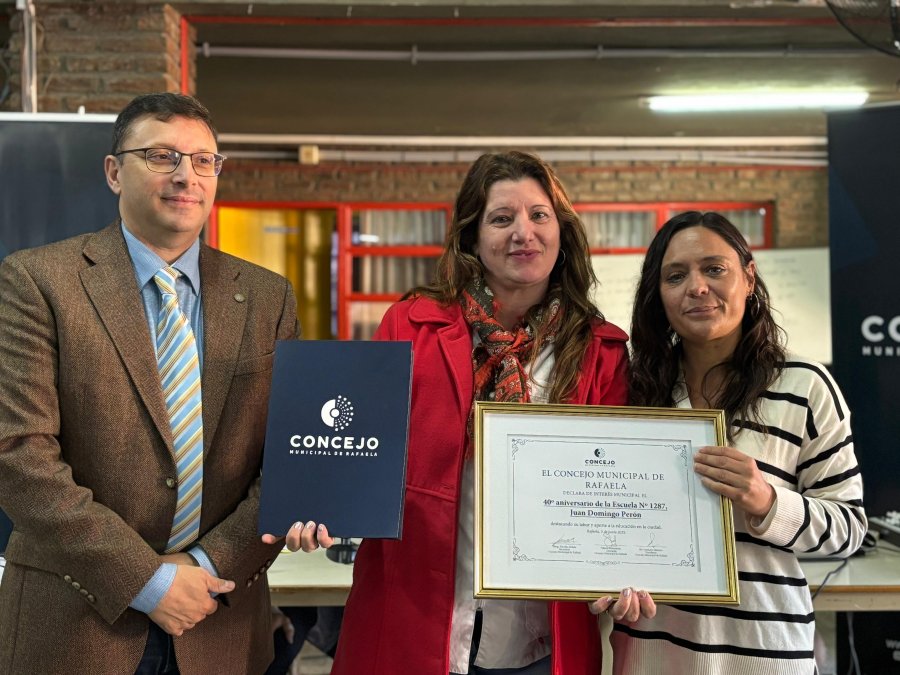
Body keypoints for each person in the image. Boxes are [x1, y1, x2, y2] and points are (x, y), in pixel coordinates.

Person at [264, 151, 655, 674]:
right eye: (502, 218)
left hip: (541, 637)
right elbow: (364, 450)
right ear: (471, 235)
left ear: (562, 231)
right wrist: (322, 500)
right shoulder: (410, 325)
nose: (524, 232)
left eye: (540, 215)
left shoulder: (600, 350)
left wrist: (626, 564)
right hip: (418, 620)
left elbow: (615, 486)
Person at [0, 93, 298, 674]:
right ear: (114, 171)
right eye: (162, 155)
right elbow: (18, 454)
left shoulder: (267, 296)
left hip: (219, 618)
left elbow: (285, 460)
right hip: (76, 623)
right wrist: (147, 580)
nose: (186, 175)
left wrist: (207, 565)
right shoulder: (38, 281)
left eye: (203, 160)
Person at [612, 211, 866, 673]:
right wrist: (607, 573)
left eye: (714, 268)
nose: (697, 287)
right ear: (659, 295)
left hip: (767, 654)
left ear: (749, 277)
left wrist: (767, 500)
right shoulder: (632, 390)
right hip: (652, 653)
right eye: (675, 275)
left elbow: (848, 529)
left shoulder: (805, 386)